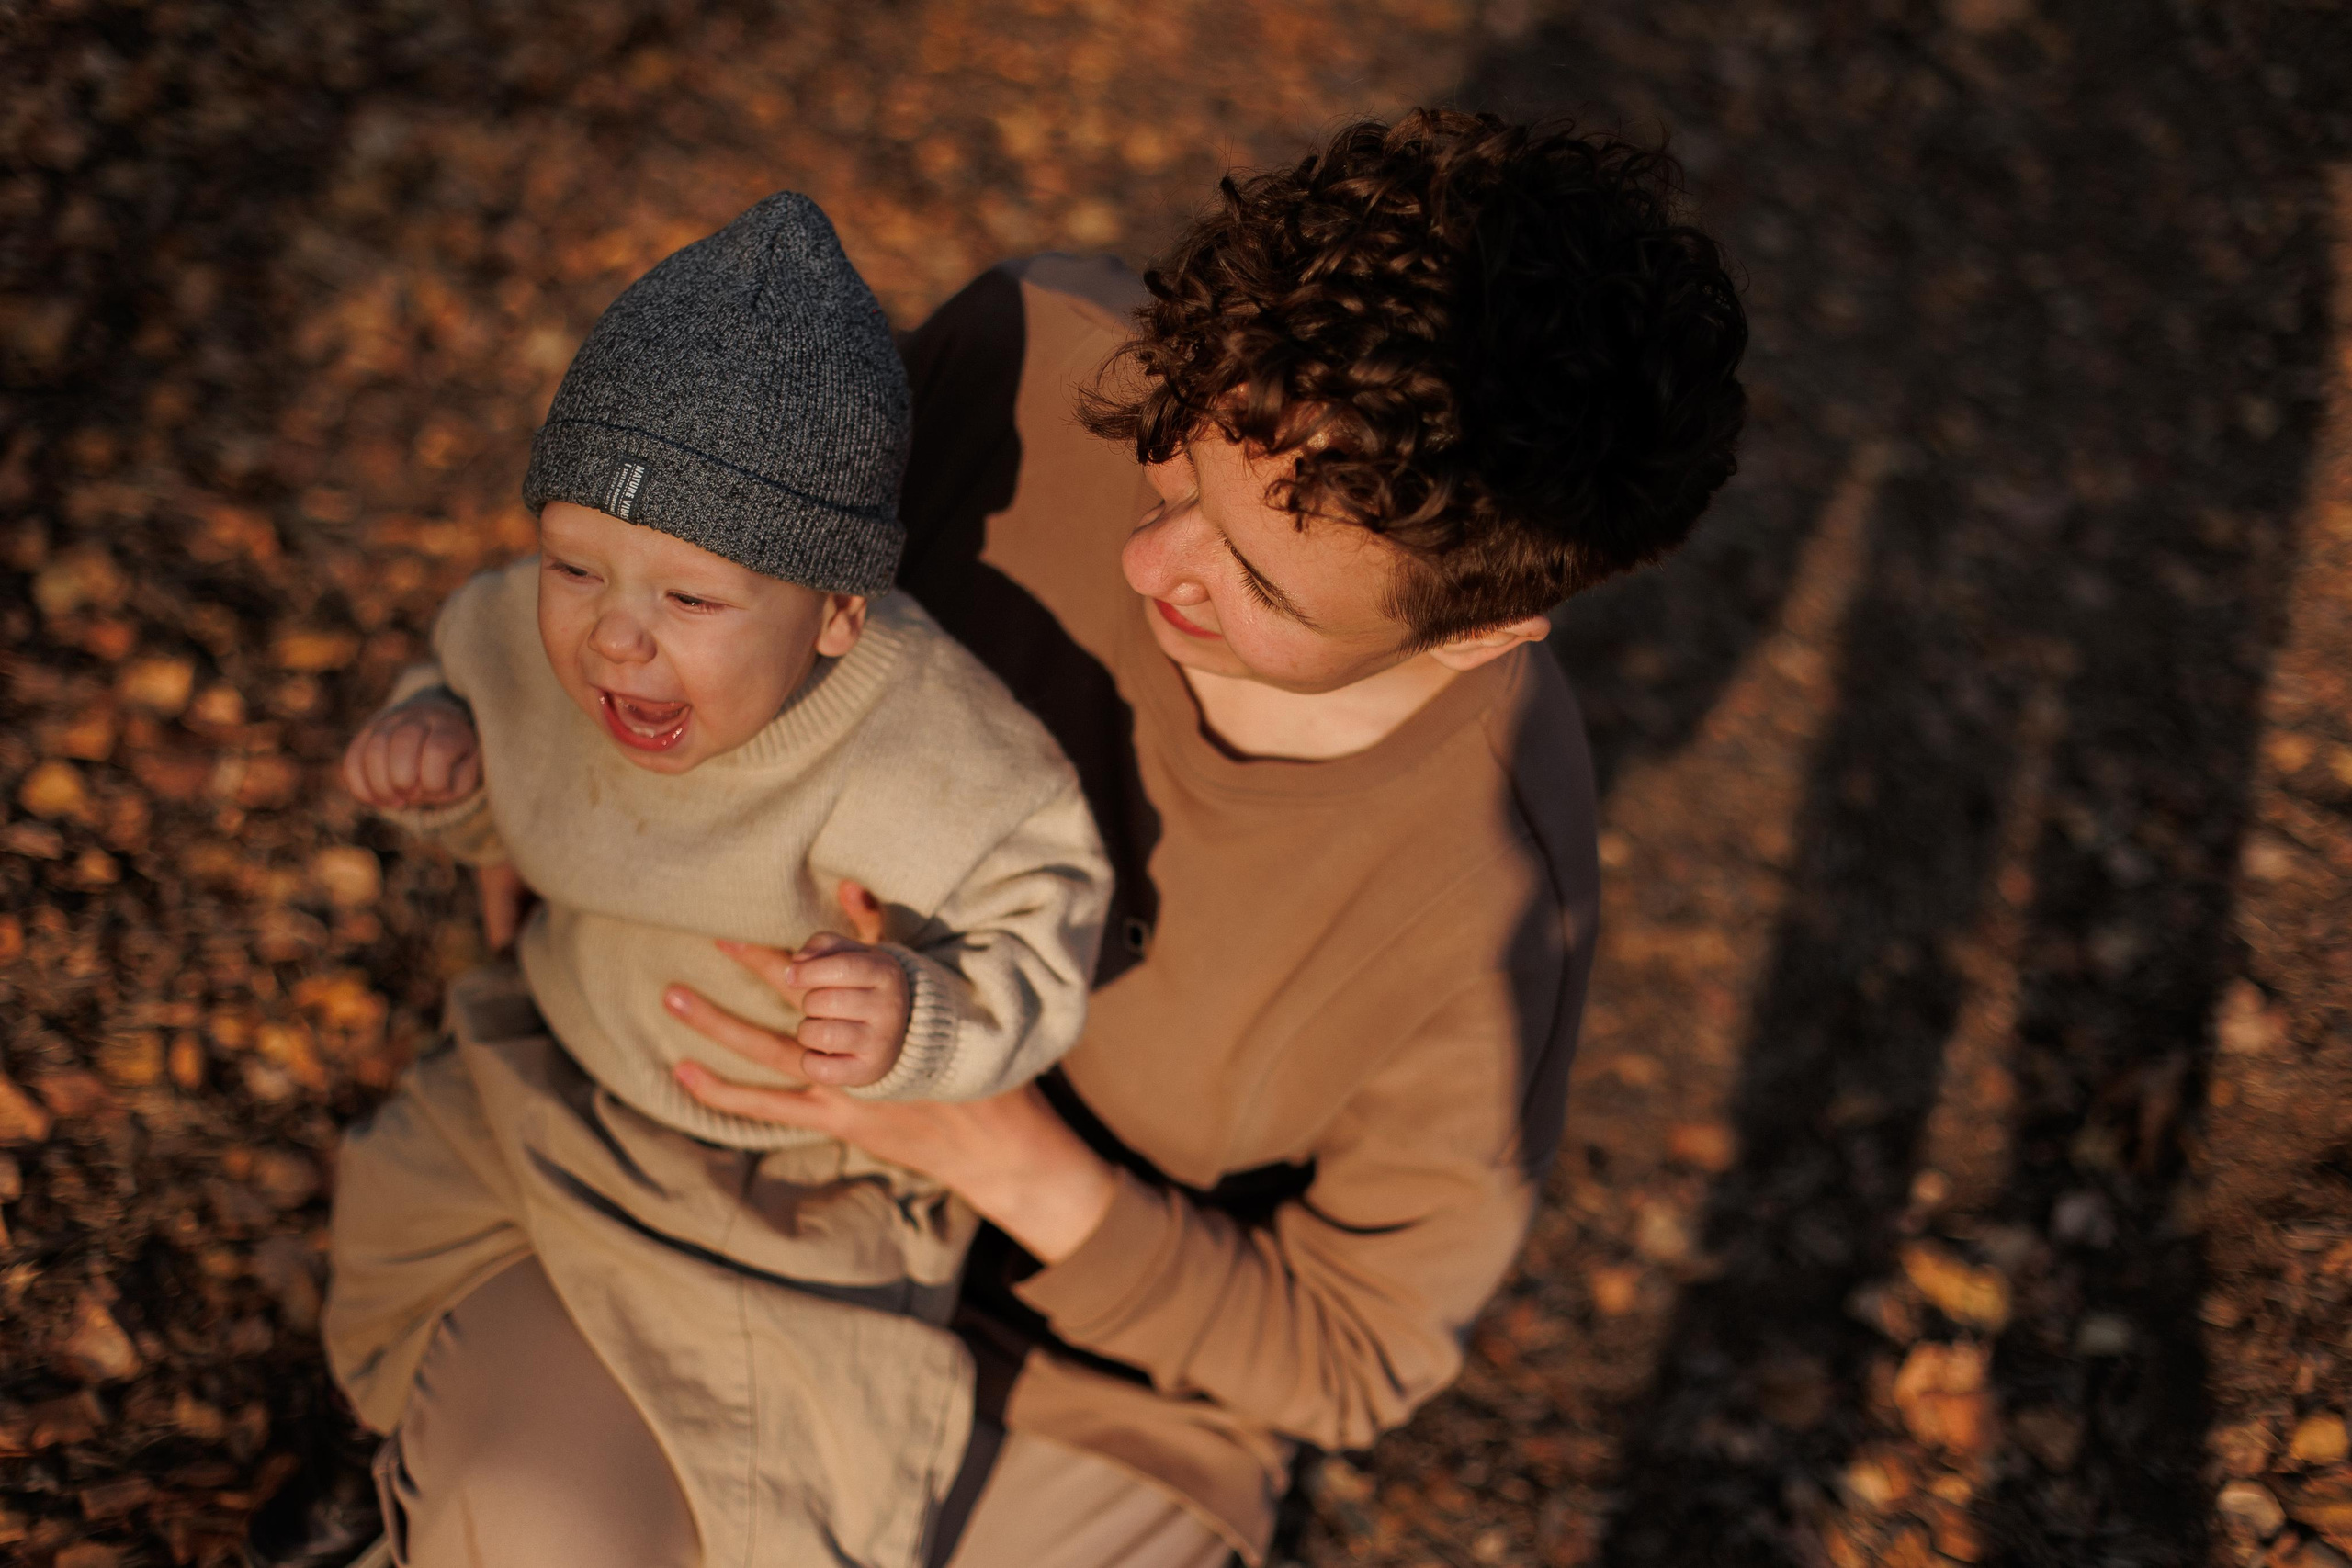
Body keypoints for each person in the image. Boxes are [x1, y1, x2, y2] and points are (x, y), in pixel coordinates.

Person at [659, 110, 1749, 1565]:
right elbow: (686, 597)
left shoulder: (1490, 901)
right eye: (1170, 467)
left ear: (1480, 634)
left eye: (1264, 589)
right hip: (704, 1163)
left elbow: (1353, 1349)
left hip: (1094, 1401)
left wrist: (1015, 1164)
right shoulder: (1032, 355)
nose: (1144, 560)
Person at [290, 192, 1114, 1568]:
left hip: (784, 1172)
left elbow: (1045, 924)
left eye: (689, 599)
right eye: (575, 566)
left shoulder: (928, 747)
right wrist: (442, 757)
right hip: (558, 1049)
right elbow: (483, 717)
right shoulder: (523, 643)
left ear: (837, 611)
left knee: (756, 1444)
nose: (615, 639)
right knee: (388, 1213)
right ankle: (358, 1429)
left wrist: (919, 1016)